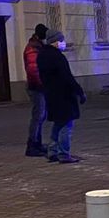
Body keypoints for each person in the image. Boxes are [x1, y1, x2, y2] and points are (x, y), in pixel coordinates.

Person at [37, 30, 86, 163]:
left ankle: (52, 151)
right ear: (55, 41)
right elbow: (67, 77)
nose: (63, 43)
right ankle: (63, 153)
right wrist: (79, 92)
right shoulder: (57, 57)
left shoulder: (42, 55)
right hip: (63, 95)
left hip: (51, 94)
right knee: (66, 125)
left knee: (59, 123)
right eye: (61, 40)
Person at [23, 24, 48, 156]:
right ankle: (32, 145)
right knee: (38, 116)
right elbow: (33, 70)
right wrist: (42, 84)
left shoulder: (37, 47)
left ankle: (37, 143)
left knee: (41, 115)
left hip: (38, 87)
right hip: (36, 87)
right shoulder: (33, 48)